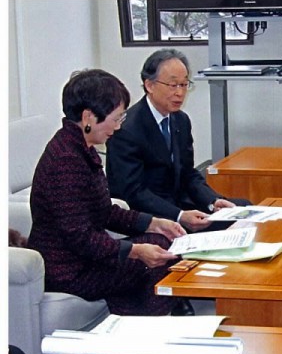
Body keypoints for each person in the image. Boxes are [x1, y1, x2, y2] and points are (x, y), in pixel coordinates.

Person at [27, 69, 190, 316]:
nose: (117, 127)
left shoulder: (82, 147)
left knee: (161, 241)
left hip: (84, 258)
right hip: (68, 270)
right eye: (115, 119)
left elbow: (104, 212)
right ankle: (149, 328)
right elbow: (79, 237)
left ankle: (146, 322)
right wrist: (135, 251)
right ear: (88, 117)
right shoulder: (66, 161)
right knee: (153, 258)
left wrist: (153, 224)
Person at [106, 49, 250, 233]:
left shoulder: (180, 120)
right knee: (221, 227)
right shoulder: (126, 129)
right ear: (149, 85)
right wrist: (180, 215)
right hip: (149, 214)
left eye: (184, 85)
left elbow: (188, 173)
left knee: (242, 210)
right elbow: (134, 192)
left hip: (178, 204)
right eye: (173, 85)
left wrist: (212, 201)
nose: (180, 93)